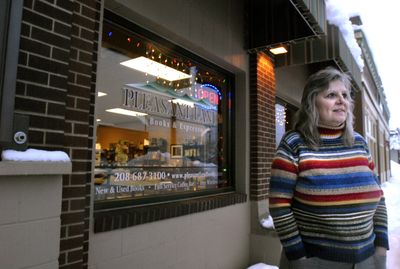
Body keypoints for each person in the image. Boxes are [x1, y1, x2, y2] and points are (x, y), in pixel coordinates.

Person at [268, 67, 389, 269]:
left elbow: (379, 198)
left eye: (345, 95)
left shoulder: (359, 143)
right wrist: (299, 257)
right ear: (311, 103)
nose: (341, 100)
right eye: (331, 95)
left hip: (368, 260)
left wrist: (381, 248)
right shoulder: (295, 143)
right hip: (316, 261)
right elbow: (279, 206)